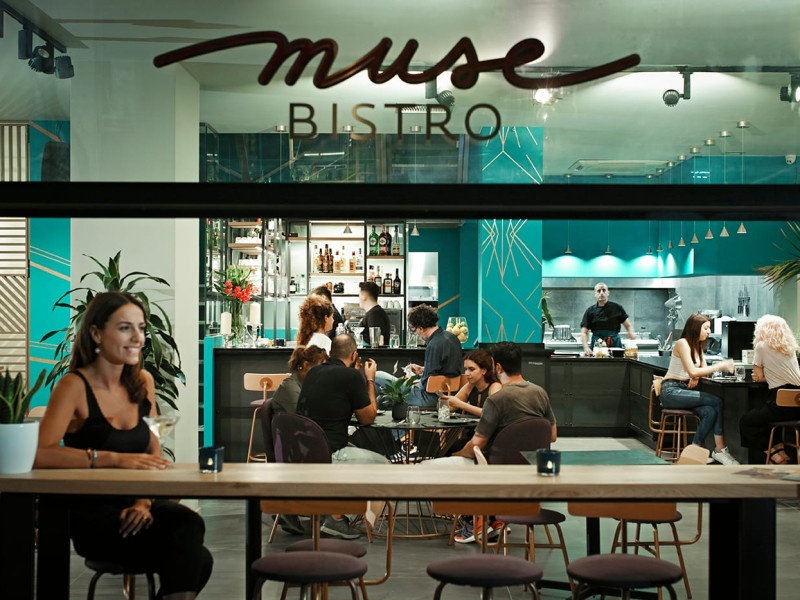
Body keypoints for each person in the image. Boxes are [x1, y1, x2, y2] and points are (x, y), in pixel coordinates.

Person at [33, 291, 213, 600]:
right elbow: (40, 453)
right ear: (96, 333)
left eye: (141, 328)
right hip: (94, 517)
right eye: (125, 328)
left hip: (138, 508)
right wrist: (113, 459)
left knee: (190, 532)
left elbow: (153, 451)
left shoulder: (143, 382)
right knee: (194, 550)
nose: (138, 338)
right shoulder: (73, 385)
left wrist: (143, 502)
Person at [296, 334, 390, 539]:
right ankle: (337, 518)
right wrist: (370, 380)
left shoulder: (313, 372)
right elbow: (367, 418)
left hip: (302, 450)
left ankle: (330, 511)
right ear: (354, 355)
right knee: (384, 466)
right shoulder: (352, 377)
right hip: (329, 452)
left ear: (330, 353)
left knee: (356, 450)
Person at [659, 313, 738, 465]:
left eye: (709, 328)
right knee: (717, 401)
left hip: (684, 390)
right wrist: (720, 366)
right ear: (695, 328)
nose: (709, 332)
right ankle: (720, 450)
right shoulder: (683, 343)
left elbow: (701, 372)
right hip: (671, 391)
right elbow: (694, 371)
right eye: (706, 328)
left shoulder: (698, 347)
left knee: (710, 411)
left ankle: (694, 452)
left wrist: (695, 375)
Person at [739, 314, 800, 464]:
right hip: (797, 404)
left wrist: (764, 375)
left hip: (779, 404)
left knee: (747, 421)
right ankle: (781, 451)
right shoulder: (790, 348)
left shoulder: (761, 346)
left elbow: (758, 377)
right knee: (767, 418)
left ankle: (774, 455)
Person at [375, 304, 463, 407]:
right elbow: (446, 370)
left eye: (414, 330)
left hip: (431, 397)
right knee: (384, 398)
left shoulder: (433, 345)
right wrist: (422, 370)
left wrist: (411, 379)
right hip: (452, 393)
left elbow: (425, 386)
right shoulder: (452, 338)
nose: (416, 333)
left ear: (420, 328)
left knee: (377, 375)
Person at [442, 349, 502, 417]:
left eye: (471, 369)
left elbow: (492, 413)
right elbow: (451, 407)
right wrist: (442, 402)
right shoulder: (470, 386)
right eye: (465, 369)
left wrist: (460, 404)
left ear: (484, 370)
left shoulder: (495, 386)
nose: (466, 373)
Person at [580, 282, 636, 355]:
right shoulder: (590, 311)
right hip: (597, 345)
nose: (601, 293)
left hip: (615, 344)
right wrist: (586, 348)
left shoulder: (617, 308)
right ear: (595, 294)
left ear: (608, 293)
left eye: (604, 290)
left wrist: (631, 332)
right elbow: (584, 332)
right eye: (599, 291)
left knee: (618, 362)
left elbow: (628, 325)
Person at [271, 345, 329, 415]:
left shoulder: (307, 384)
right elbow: (303, 415)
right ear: (305, 365)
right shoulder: (289, 387)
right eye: (320, 368)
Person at [358, 281, 390, 347]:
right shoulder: (374, 313)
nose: (358, 299)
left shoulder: (375, 314)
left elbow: (379, 342)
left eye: (359, 295)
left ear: (364, 296)